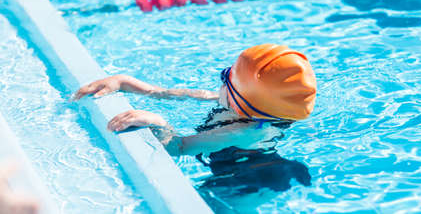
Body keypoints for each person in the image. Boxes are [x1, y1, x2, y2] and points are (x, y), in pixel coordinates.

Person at [74, 43, 317, 157]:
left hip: (239, 178)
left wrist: (158, 123)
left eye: (227, 76)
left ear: (243, 103)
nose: (221, 81)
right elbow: (162, 93)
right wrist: (124, 82)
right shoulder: (243, 104)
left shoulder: (243, 133)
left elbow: (177, 148)